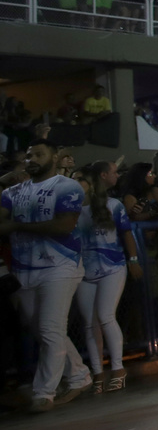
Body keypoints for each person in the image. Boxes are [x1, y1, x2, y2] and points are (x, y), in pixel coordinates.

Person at [0, 142, 93, 411]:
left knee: (51, 329)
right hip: (24, 269)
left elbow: (64, 225)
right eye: (29, 155)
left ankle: (44, 392)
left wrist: (16, 225)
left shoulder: (67, 186)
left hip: (60, 267)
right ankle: (79, 375)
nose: (32, 159)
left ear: (55, 158)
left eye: (39, 155)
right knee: (40, 330)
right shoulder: (12, 192)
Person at [73, 161, 140, 391]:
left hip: (113, 267)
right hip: (84, 271)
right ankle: (98, 372)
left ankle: (118, 368)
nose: (76, 184)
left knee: (105, 315)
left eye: (80, 180)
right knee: (90, 323)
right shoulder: (72, 211)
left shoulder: (114, 205)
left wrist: (133, 260)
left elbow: (127, 234)